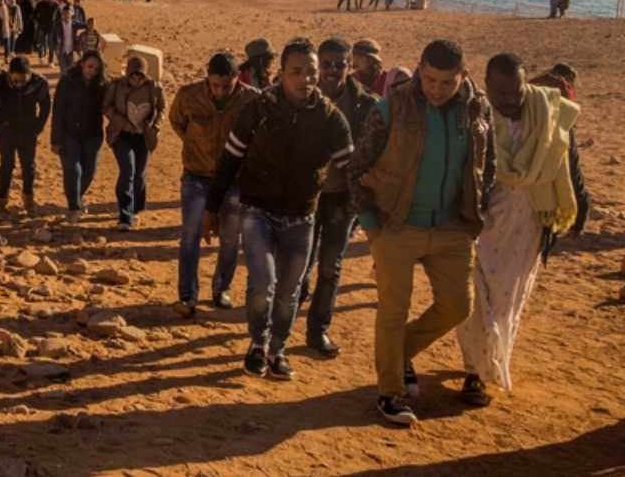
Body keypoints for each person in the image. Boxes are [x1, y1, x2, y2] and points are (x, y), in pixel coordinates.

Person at [344, 39, 494, 426]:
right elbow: (357, 168)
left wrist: (473, 215)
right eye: (430, 79)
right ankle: (389, 393)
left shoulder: (476, 109)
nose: (437, 89)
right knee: (392, 312)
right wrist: (372, 229)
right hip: (396, 225)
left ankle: (399, 354)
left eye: (448, 82)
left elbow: (484, 164)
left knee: (459, 306)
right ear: (419, 69)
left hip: (452, 229)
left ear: (463, 77)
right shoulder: (391, 107)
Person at [205, 38, 354, 381]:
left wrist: (368, 219)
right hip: (257, 211)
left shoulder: (331, 119)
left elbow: (353, 173)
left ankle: (278, 350)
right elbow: (230, 159)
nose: (306, 79)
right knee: (263, 283)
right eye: (296, 72)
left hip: (302, 215)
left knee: (289, 293)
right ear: (282, 74)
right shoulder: (259, 109)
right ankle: (257, 343)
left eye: (311, 72)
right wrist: (212, 208)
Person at [455, 53, 587, 407]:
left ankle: (485, 362)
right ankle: (474, 372)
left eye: (516, 93)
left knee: (506, 300)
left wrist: (580, 205)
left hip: (527, 222)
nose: (510, 102)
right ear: (487, 85)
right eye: (501, 95)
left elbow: (566, 158)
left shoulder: (545, 110)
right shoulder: (473, 114)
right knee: (474, 297)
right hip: (481, 221)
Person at [301, 38, 378, 357]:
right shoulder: (301, 97)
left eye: (340, 64)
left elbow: (375, 152)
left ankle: (318, 330)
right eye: (327, 63)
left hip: (343, 198)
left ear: (351, 67)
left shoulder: (367, 104)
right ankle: (284, 322)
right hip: (304, 194)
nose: (333, 70)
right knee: (299, 266)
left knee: (331, 266)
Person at [170, 51, 257, 318]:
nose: (219, 91)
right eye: (214, 85)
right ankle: (188, 295)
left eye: (226, 86)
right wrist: (197, 145)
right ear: (207, 78)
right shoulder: (188, 95)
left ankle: (222, 289)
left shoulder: (252, 100)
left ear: (236, 79)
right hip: (196, 175)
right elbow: (177, 122)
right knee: (190, 236)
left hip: (233, 180)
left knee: (231, 239)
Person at [0, 56, 52, 218]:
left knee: (28, 166)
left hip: (28, 131)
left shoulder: (39, 83)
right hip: (5, 131)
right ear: (10, 74)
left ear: (29, 74)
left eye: (23, 81)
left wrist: (38, 126)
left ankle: (29, 201)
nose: (19, 85)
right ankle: (1, 202)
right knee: (7, 165)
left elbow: (45, 105)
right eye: (15, 80)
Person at [104, 56, 166, 230]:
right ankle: (125, 215)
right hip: (121, 135)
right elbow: (106, 107)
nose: (136, 80)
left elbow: (162, 108)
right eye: (133, 76)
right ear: (128, 74)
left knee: (139, 173)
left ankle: (137, 208)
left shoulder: (154, 88)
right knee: (127, 171)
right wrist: (121, 122)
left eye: (140, 76)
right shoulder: (117, 86)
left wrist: (155, 126)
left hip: (143, 137)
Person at [50, 50, 108, 224]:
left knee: (89, 172)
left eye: (96, 69)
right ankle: (74, 208)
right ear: (82, 63)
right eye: (90, 66)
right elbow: (58, 111)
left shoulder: (102, 85)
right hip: (69, 134)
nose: (92, 71)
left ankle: (77, 196)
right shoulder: (67, 81)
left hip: (93, 135)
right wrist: (55, 139)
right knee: (73, 170)